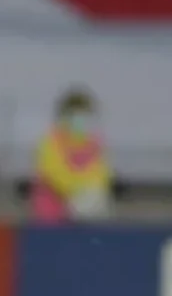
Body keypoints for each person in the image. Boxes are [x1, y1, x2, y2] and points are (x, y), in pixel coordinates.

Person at [31, 86, 113, 223]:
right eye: (75, 114)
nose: (80, 119)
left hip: (88, 216)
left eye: (84, 114)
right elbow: (54, 174)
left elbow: (102, 173)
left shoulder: (95, 143)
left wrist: (88, 193)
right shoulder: (50, 142)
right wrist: (78, 192)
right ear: (64, 116)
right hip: (51, 215)